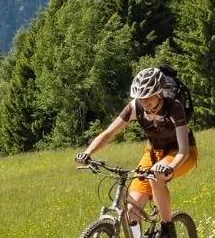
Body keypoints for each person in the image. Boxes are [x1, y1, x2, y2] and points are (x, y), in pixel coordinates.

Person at [75, 65, 198, 238]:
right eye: (141, 98)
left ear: (159, 94)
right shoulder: (135, 107)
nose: (144, 102)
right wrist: (88, 152)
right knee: (131, 207)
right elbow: (109, 133)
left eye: (148, 98)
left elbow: (183, 150)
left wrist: (169, 168)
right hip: (153, 152)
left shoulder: (174, 107)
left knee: (156, 175)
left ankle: (167, 228)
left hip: (180, 153)